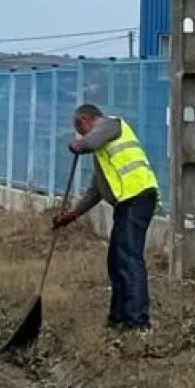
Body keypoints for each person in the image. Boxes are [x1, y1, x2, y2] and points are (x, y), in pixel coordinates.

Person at [51, 102, 159, 332]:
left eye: (80, 130)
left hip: (138, 196)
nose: (82, 135)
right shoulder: (103, 151)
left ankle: (138, 322)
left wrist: (77, 144)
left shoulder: (110, 124)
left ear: (85, 120)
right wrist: (72, 215)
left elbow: (88, 143)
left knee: (130, 259)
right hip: (126, 203)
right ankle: (118, 318)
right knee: (116, 261)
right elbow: (96, 190)